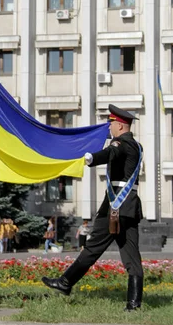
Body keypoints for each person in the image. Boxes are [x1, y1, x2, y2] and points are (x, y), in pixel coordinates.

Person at [42, 105, 144, 312]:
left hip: (115, 208)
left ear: (121, 126)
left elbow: (112, 152)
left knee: (92, 248)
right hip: (129, 208)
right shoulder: (136, 145)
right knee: (132, 255)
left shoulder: (122, 143)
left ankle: (65, 282)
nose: (110, 128)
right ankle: (134, 304)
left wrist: (90, 158)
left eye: (112, 124)